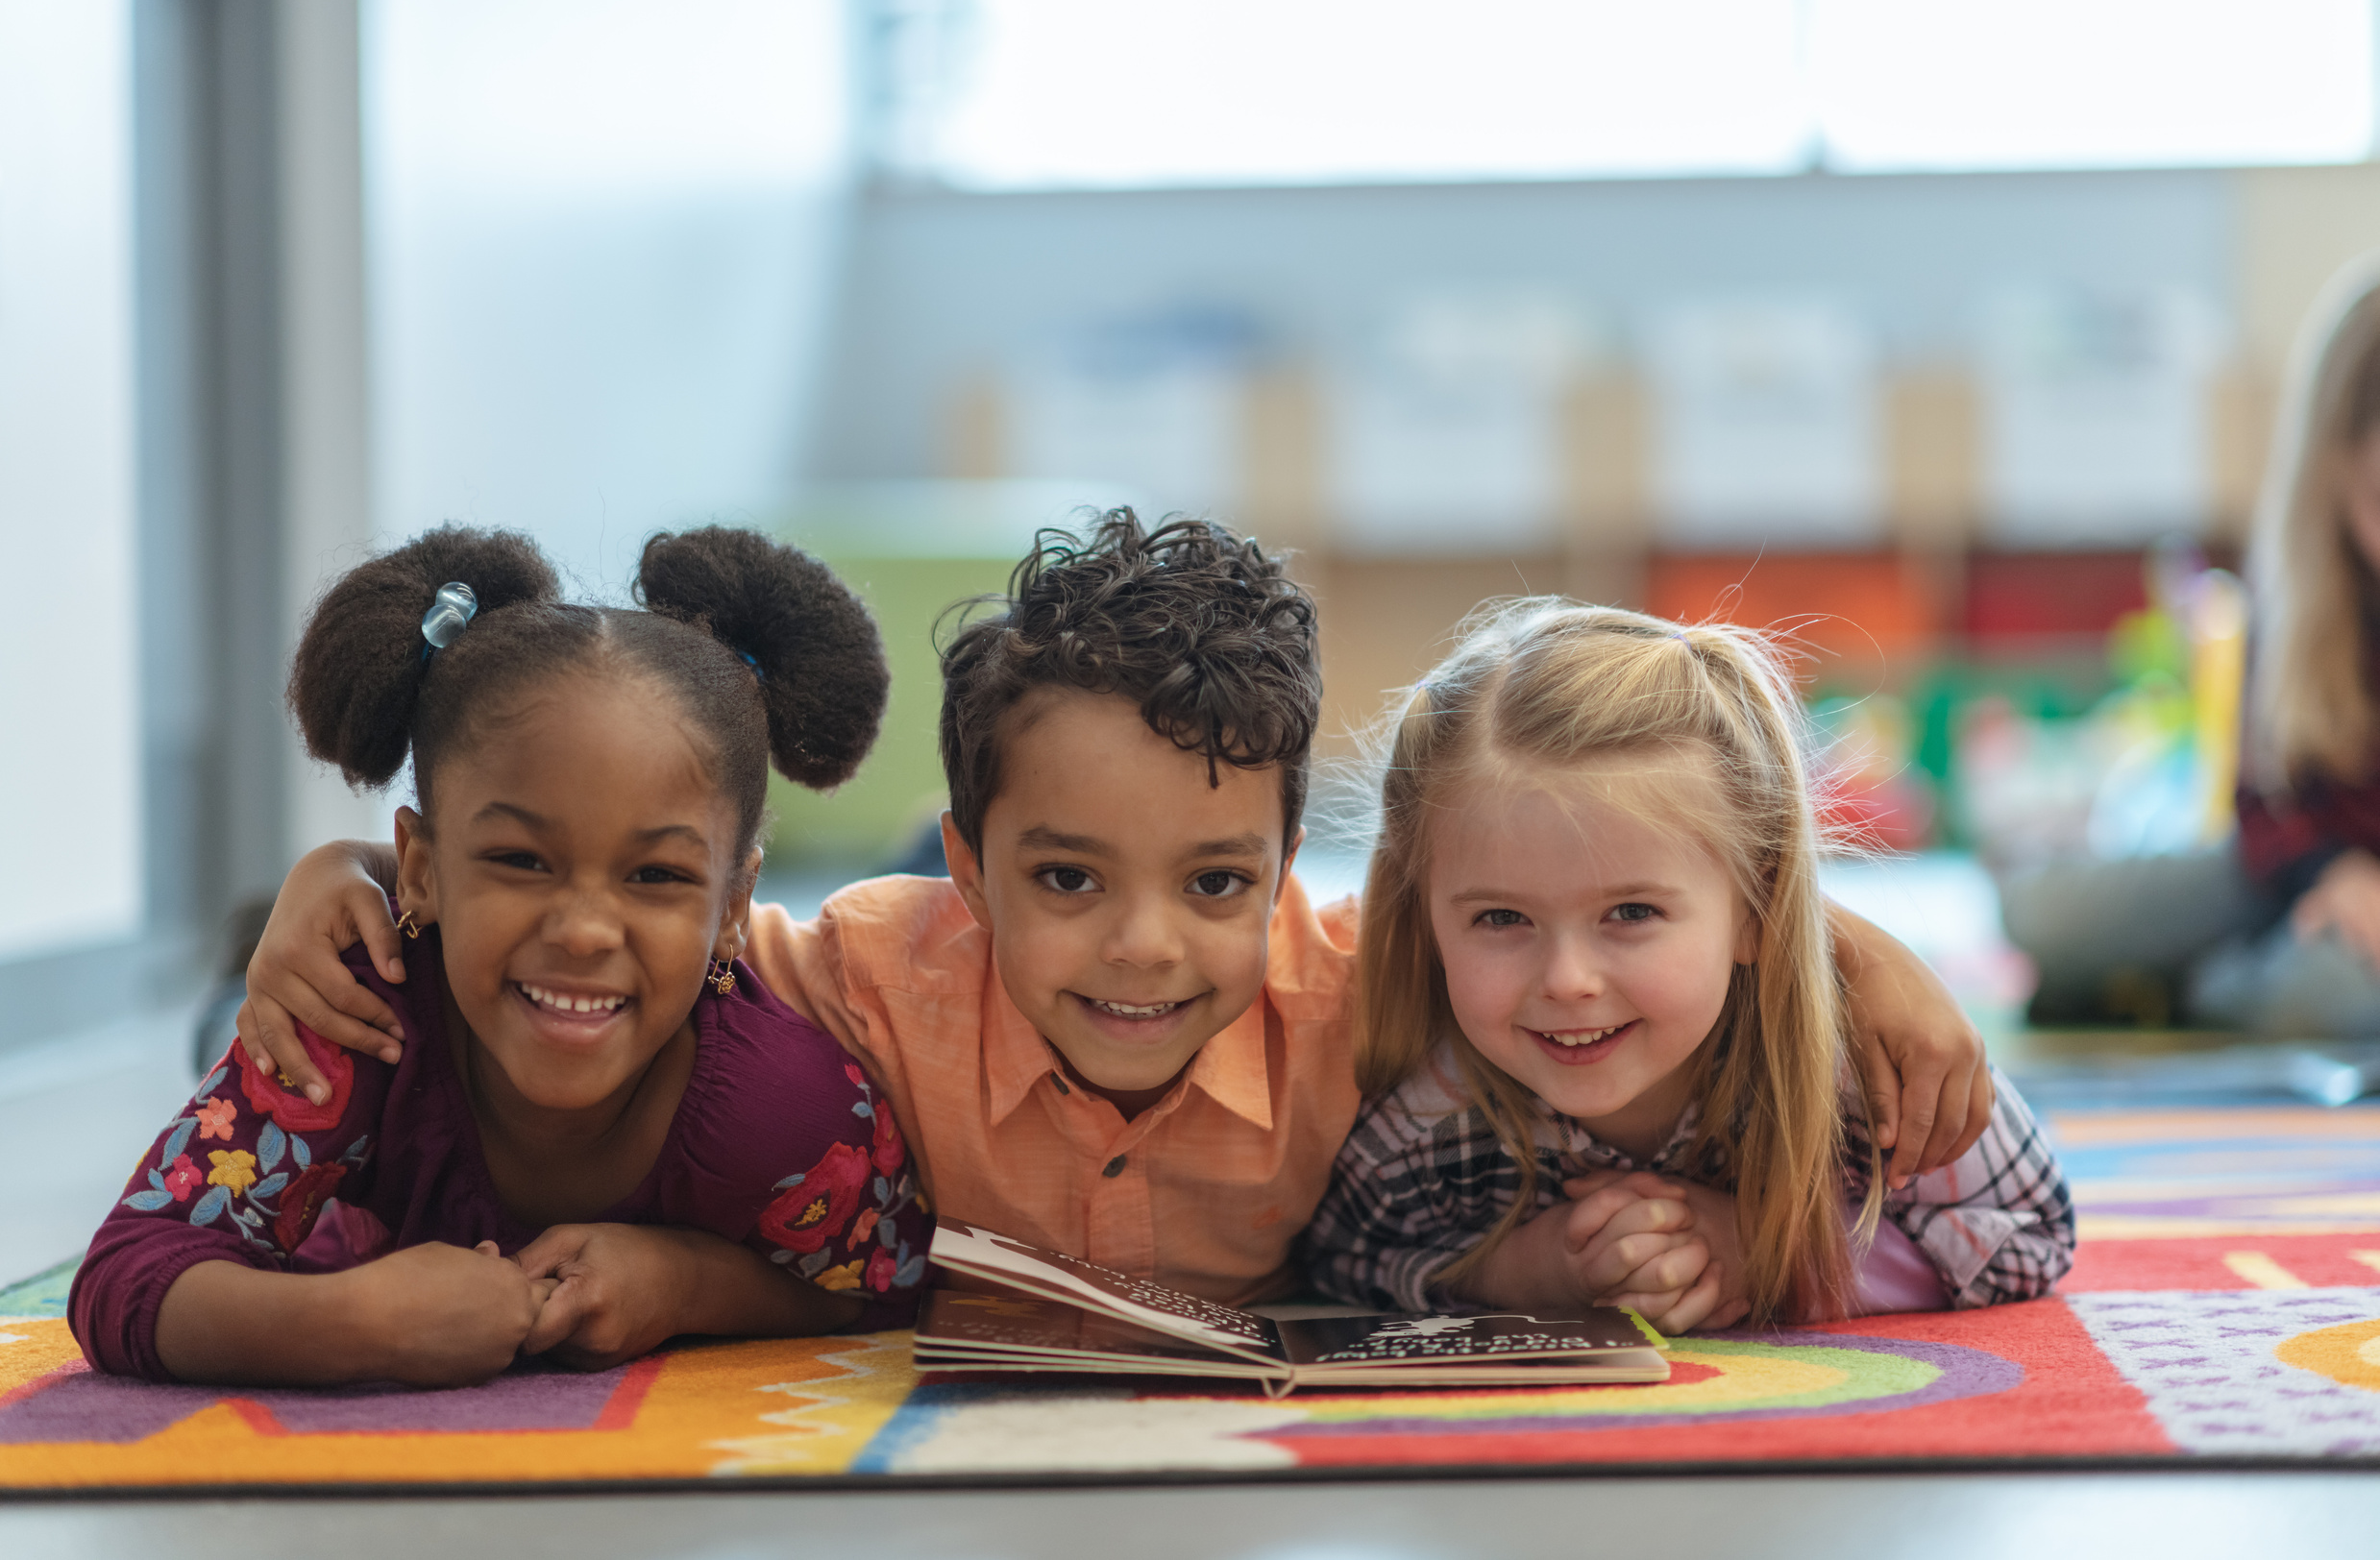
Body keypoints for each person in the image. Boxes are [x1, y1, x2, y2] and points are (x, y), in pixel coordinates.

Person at [233, 511, 1993, 1308]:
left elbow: (1596, 906)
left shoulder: (1368, 994)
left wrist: (1845, 944)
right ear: (965, 861)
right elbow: (618, 925)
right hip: (382, 1062)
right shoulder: (865, 970)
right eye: (1065, 879)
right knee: (327, 1060)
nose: (1144, 946)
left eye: (1217, 882)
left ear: (1291, 867)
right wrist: (333, 881)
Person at [72, 525, 928, 1386]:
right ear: (418, 869)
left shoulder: (787, 1107)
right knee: (248, 1022)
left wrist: (684, 1283)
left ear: (733, 910)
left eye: (657, 874)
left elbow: (885, 1280)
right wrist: (344, 1323)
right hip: (354, 1035)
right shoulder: (354, 1018)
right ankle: (248, 966)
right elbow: (127, 1269)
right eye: (522, 860)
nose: (585, 932)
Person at [1302, 602, 2073, 1330]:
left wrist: (1783, 1260)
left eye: (1631, 914)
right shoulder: (1428, 1111)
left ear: (1755, 909)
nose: (1567, 979)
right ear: (1423, 917)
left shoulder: (1866, 1069)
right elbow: (1337, 1259)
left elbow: (2031, 1232)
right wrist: (1516, 1275)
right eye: (1501, 919)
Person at [2004, 251, 2380, 1043]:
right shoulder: (2299, 606)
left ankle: (2181, 986)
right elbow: (2263, 801)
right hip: (2279, 872)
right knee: (2039, 914)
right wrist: (2333, 877)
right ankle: (2165, 968)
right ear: (2335, 481)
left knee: (2319, 1005)